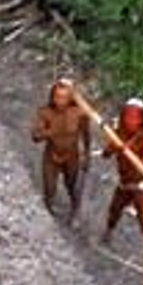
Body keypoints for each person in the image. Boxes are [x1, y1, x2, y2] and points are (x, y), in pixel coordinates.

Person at [100, 97, 143, 284]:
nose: (131, 121)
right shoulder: (119, 133)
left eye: (135, 118)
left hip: (141, 188)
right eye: (127, 116)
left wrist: (126, 149)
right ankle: (108, 232)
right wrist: (113, 142)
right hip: (124, 184)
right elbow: (106, 154)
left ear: (142, 119)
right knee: (114, 209)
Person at [30, 77, 91, 222]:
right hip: (51, 156)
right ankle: (47, 214)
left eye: (64, 97)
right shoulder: (45, 112)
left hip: (72, 157)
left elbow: (86, 135)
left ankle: (74, 209)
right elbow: (35, 136)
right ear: (52, 97)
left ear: (70, 98)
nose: (60, 101)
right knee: (49, 188)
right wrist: (50, 131)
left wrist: (87, 155)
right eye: (57, 97)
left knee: (71, 185)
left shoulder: (79, 114)